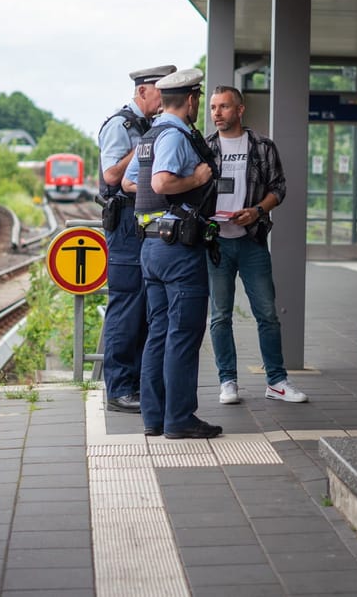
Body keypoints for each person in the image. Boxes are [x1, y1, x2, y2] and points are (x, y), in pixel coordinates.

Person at [125, 68, 222, 440]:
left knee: (159, 333)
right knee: (182, 334)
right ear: (193, 100)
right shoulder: (176, 136)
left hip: (151, 245)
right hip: (178, 249)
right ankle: (179, 418)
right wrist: (196, 181)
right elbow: (160, 181)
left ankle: (155, 417)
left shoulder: (150, 135)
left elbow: (131, 181)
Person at [204, 86, 308, 405]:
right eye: (212, 107)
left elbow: (280, 188)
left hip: (252, 242)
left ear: (240, 109)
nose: (217, 113)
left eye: (223, 107)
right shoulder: (205, 148)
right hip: (216, 242)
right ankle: (227, 382)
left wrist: (257, 211)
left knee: (267, 314)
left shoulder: (262, 146)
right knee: (220, 316)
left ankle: (276, 381)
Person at [95, 64, 176, 414]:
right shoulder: (121, 126)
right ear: (143, 91)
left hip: (142, 223)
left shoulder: (149, 125)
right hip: (125, 225)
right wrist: (144, 145)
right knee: (126, 308)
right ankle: (119, 389)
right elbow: (112, 174)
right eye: (160, 92)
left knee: (144, 309)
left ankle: (138, 386)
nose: (163, 100)